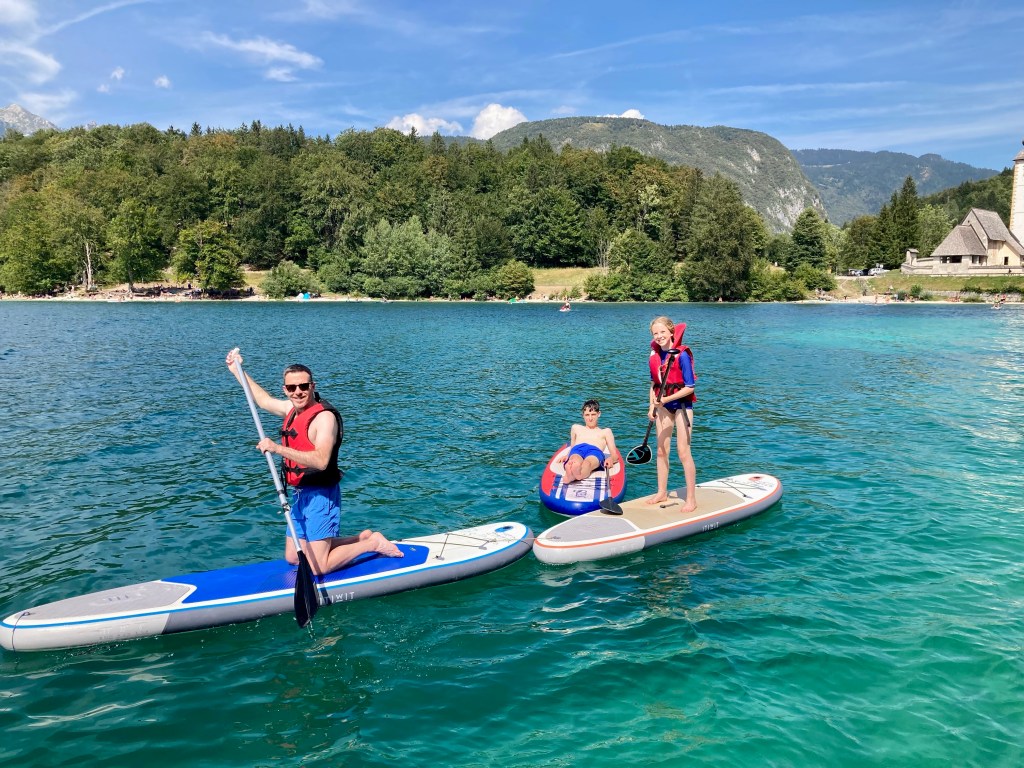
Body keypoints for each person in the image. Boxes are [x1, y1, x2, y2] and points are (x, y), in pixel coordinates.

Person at [225, 348, 402, 575]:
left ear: (312, 386)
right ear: (286, 390)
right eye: (291, 387)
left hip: (321, 495)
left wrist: (277, 448)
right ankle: (362, 538)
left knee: (319, 568)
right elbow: (263, 400)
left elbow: (320, 460)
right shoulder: (291, 409)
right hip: (300, 493)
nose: (298, 392)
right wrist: (237, 371)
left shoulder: (324, 418)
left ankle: (372, 544)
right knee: (293, 556)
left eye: (303, 386)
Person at [646, 317, 697, 512]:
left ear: (671, 332)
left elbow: (690, 387)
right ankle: (661, 492)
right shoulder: (655, 356)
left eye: (662, 332)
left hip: (682, 407)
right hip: (662, 407)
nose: (659, 336)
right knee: (661, 450)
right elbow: (654, 384)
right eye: (655, 334)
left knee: (683, 452)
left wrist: (665, 400)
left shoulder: (682, 355)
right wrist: (652, 405)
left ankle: (691, 499)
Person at [561, 399, 619, 484]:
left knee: (587, 463)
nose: (590, 418)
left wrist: (611, 459)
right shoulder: (575, 428)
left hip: (595, 451)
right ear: (583, 415)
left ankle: (575, 475)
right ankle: (573, 471)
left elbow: (614, 455)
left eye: (593, 414)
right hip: (578, 448)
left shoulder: (606, 431)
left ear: (599, 414)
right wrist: (567, 455)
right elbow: (572, 446)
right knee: (574, 459)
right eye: (587, 415)